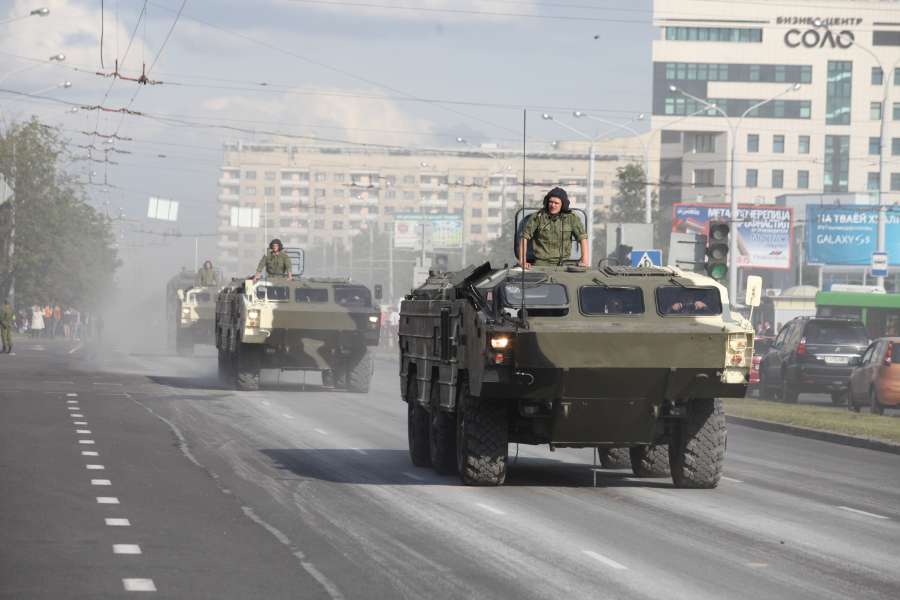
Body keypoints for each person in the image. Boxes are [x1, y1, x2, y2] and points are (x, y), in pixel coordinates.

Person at [518, 187, 589, 269]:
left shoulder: (571, 218)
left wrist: (585, 261)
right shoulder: (538, 217)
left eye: (556, 203)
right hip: (541, 264)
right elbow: (524, 237)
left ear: (563, 205)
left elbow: (583, 238)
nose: (553, 205)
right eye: (550, 202)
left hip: (564, 264)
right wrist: (522, 261)